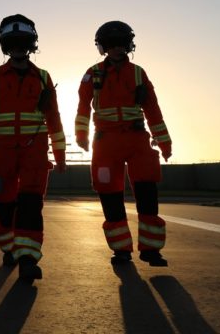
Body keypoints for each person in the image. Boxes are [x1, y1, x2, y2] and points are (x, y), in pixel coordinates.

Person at [0, 14, 66, 281]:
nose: (19, 47)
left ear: (31, 45)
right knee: (5, 208)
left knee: (31, 205)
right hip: (2, 155)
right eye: (13, 43)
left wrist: (60, 153)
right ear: (5, 46)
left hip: (35, 154)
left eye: (23, 42)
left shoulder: (43, 78)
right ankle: (9, 247)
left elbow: (54, 118)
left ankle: (28, 260)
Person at [75, 21, 171, 267]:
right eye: (112, 45)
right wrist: (81, 135)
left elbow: (153, 109)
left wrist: (164, 142)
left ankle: (151, 250)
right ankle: (121, 250)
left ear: (129, 45)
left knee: (147, 192)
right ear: (103, 47)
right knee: (110, 194)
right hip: (106, 142)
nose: (117, 49)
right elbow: (83, 107)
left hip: (137, 139)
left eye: (122, 44)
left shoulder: (138, 73)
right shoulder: (92, 74)